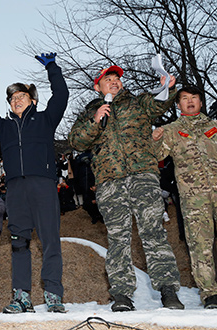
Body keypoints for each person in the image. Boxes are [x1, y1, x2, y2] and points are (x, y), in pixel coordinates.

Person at [68, 65, 184, 312]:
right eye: (107, 79)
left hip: (143, 175)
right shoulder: (90, 112)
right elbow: (77, 140)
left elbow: (160, 103)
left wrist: (169, 87)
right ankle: (121, 294)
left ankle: (168, 290)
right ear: (97, 86)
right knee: (118, 238)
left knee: (153, 231)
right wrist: (95, 119)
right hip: (110, 181)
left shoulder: (137, 103)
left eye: (116, 79)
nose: (113, 82)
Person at [0, 52, 68, 313]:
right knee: (18, 242)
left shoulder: (45, 120)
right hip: (15, 188)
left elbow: (61, 95)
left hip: (43, 185)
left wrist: (52, 68)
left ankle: (53, 294)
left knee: (50, 239)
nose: (17, 101)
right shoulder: (4, 127)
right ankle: (21, 297)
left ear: (32, 100)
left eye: (22, 97)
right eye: (13, 99)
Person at [151, 86, 217, 309]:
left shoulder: (215, 126)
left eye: (194, 98)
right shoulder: (171, 130)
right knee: (200, 244)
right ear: (178, 105)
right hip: (194, 199)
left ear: (201, 102)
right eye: (185, 99)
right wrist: (156, 139)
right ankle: (210, 294)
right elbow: (157, 156)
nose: (190, 102)